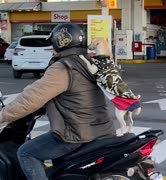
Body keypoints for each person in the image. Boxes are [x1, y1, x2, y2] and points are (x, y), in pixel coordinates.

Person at [0, 23, 116, 180]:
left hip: (76, 134)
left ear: (60, 42)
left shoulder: (63, 68)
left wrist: (3, 116)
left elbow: (30, 99)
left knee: (26, 152)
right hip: (102, 130)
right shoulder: (88, 62)